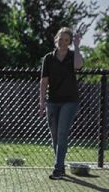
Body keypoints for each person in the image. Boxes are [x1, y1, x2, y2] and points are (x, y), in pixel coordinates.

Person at [39, 27, 83, 180]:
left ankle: (58, 168)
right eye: (61, 39)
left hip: (70, 101)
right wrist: (42, 102)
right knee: (55, 135)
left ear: (70, 42)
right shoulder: (48, 58)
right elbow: (44, 82)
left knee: (62, 133)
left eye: (67, 40)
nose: (63, 42)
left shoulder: (72, 56)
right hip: (52, 102)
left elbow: (78, 66)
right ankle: (61, 166)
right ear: (56, 39)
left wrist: (77, 46)